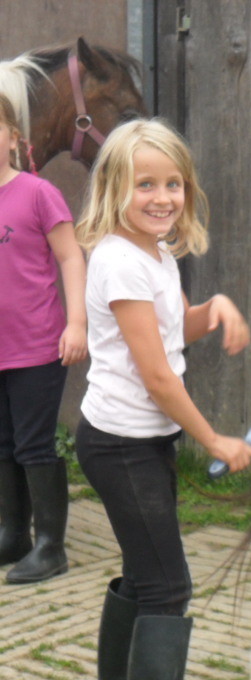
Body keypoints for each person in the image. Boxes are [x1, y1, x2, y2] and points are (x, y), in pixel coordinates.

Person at [74, 118, 251, 680]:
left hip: (138, 443)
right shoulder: (121, 261)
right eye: (144, 184)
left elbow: (172, 331)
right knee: (168, 585)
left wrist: (216, 308)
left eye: (173, 183)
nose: (162, 197)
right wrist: (214, 439)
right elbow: (156, 376)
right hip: (121, 445)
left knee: (146, 574)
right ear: (114, 188)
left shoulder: (154, 254)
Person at [0, 93, 87, 584]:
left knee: (33, 444)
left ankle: (50, 546)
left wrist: (77, 323)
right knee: (2, 443)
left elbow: (71, 257)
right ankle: (13, 534)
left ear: (14, 137)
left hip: (36, 346)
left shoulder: (38, 193)